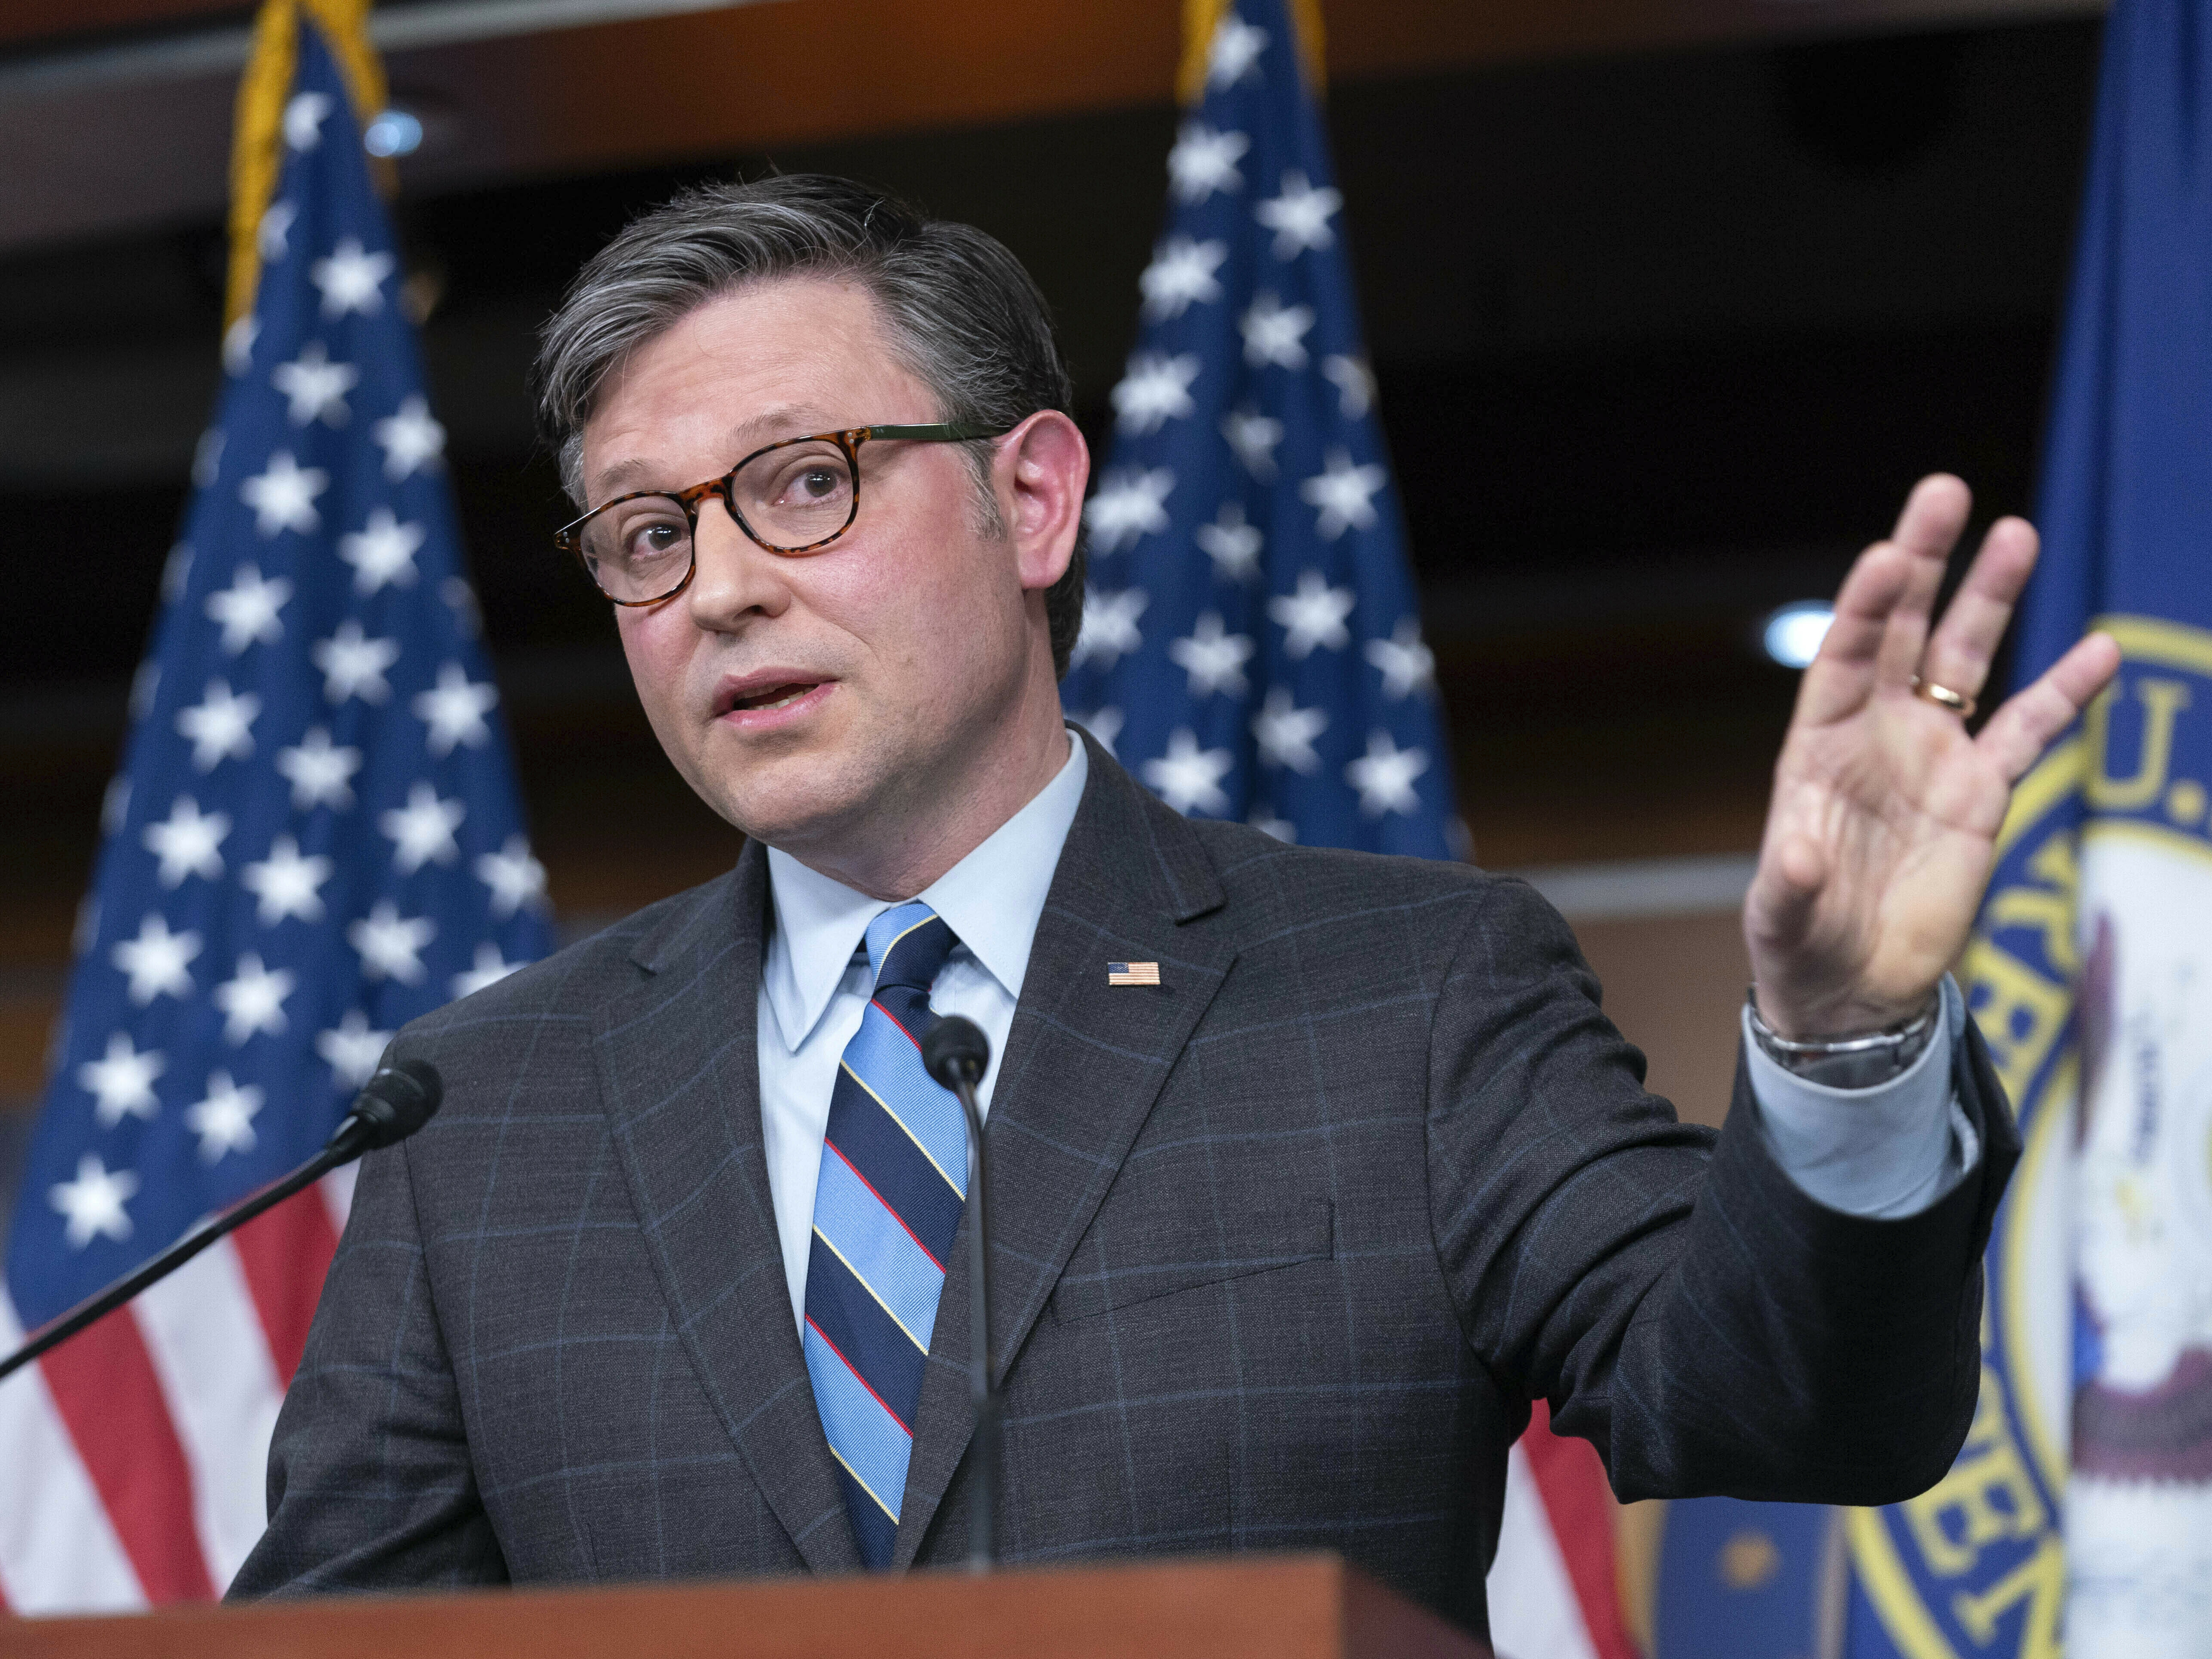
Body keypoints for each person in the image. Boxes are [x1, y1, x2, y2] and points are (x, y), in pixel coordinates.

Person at [230, 175, 2119, 1639]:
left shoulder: (1413, 995)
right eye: (653, 533)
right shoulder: (488, 1110)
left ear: (1034, 499)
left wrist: (1847, 1036)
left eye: (801, 485)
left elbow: (1792, 1415)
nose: (720, 585)